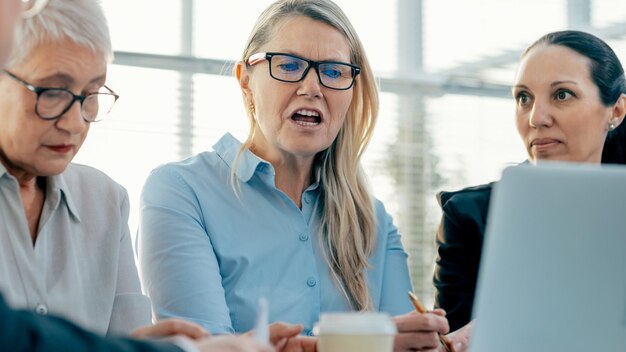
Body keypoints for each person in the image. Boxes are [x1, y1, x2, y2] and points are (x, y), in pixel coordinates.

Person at [138, 0, 469, 351]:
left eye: (333, 71)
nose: (311, 87)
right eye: (289, 65)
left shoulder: (374, 220)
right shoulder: (181, 192)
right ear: (246, 81)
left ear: (352, 91)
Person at [0, 1, 301, 351]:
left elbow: (125, 342)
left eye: (91, 93)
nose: (76, 121)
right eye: (52, 92)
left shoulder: (106, 200)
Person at [434, 30, 626, 332]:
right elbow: (451, 339)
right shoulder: (471, 217)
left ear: (616, 110)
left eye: (562, 94)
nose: (536, 118)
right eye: (524, 98)